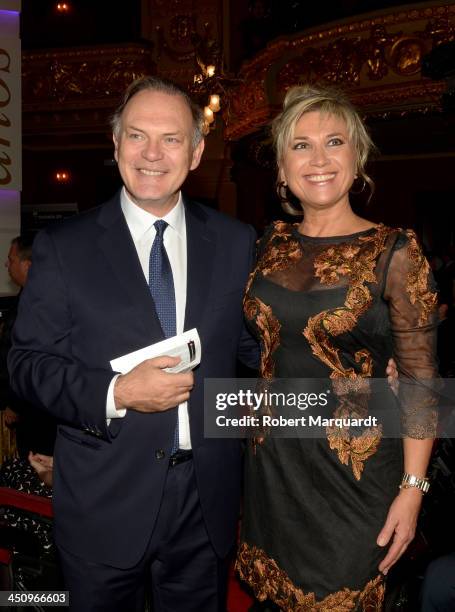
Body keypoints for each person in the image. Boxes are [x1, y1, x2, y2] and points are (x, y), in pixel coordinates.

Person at [8, 76, 259, 612]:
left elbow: (255, 348)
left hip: (206, 501)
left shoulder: (237, 243)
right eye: (137, 135)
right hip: (103, 499)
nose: (151, 153)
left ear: (195, 154)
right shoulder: (63, 246)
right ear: (116, 145)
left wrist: (352, 365)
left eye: (170, 139)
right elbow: (26, 364)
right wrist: (116, 392)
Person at [237, 84, 439, 610]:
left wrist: (414, 489)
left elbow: (421, 383)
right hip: (271, 468)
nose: (319, 158)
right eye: (300, 145)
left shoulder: (395, 250)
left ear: (358, 158)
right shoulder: (267, 244)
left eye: (334, 142)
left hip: (355, 475)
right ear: (281, 169)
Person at [0, 235, 56, 459]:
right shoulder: (27, 297)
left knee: (33, 461)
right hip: (29, 406)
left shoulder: (38, 303)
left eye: (10, 259)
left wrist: (15, 403)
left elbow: (30, 358)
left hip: (35, 410)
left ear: (28, 265)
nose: (6, 264)